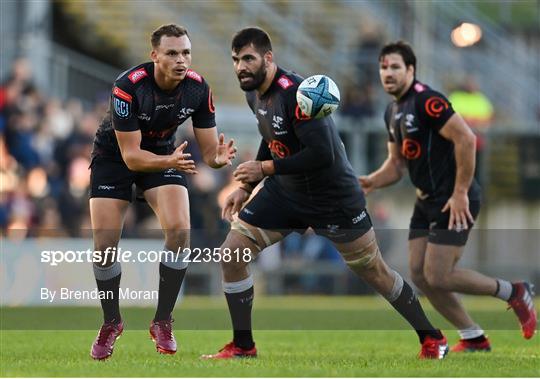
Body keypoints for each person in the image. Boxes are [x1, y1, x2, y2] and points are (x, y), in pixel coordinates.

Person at [202, 27, 449, 360]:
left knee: (373, 271)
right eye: (236, 60)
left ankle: (431, 337)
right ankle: (243, 346)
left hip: (332, 197)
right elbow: (271, 137)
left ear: (268, 58)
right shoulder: (253, 92)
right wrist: (246, 188)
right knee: (231, 254)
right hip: (286, 193)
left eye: (248, 58)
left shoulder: (299, 93)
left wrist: (264, 170)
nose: (240, 67)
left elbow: (322, 154)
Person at [360, 41, 537, 352]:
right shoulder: (392, 111)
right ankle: (473, 337)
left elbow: (466, 139)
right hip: (425, 198)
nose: (387, 73)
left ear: (411, 70)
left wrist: (459, 193)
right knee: (420, 275)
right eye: (383, 67)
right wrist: (370, 181)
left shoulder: (428, 100)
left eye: (395, 67)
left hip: (455, 197)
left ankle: (514, 291)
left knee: (439, 274)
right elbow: (397, 164)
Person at [88, 24, 236, 360]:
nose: (181, 60)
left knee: (180, 230)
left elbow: (210, 151)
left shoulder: (199, 89)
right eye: (172, 53)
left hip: (164, 153)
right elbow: (131, 156)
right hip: (116, 156)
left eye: (185, 52)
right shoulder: (128, 87)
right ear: (154, 55)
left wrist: (218, 159)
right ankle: (111, 322)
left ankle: (162, 321)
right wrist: (169, 159)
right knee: (105, 242)